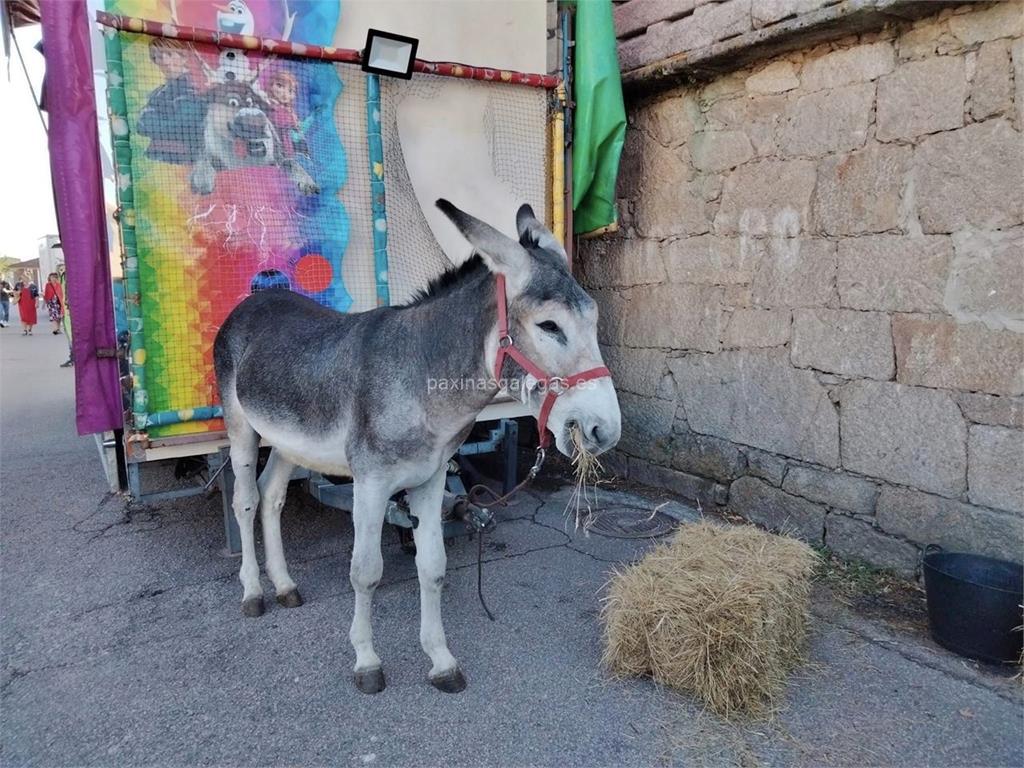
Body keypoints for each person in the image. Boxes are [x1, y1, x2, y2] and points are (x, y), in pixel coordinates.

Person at [137, 37, 206, 164]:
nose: (165, 61)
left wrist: (154, 120)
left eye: (169, 54)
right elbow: (140, 125)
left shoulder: (193, 86)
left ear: (183, 58)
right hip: (156, 158)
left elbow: (184, 125)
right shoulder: (157, 92)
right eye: (158, 57)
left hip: (182, 159)